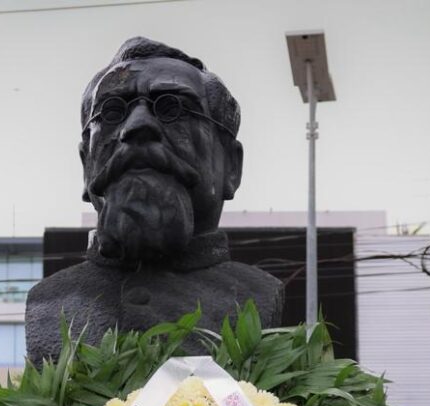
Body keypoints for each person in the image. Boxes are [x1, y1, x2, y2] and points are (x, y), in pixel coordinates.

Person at [25, 37, 284, 361]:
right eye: (112, 112)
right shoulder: (48, 303)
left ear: (231, 166)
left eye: (172, 108)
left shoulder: (257, 296)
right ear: (85, 166)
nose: (138, 126)